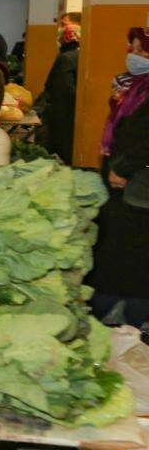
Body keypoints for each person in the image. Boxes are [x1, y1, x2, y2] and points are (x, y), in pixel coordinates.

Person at [87, 27, 149, 326]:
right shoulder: (134, 87)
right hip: (125, 177)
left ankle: (130, 313)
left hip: (139, 184)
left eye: (142, 50)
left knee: (132, 248)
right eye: (132, 49)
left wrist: (123, 168)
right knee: (118, 242)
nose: (134, 56)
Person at [37, 22, 82, 164]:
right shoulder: (84, 57)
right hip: (76, 113)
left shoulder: (65, 58)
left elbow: (62, 88)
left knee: (62, 152)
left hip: (63, 113)